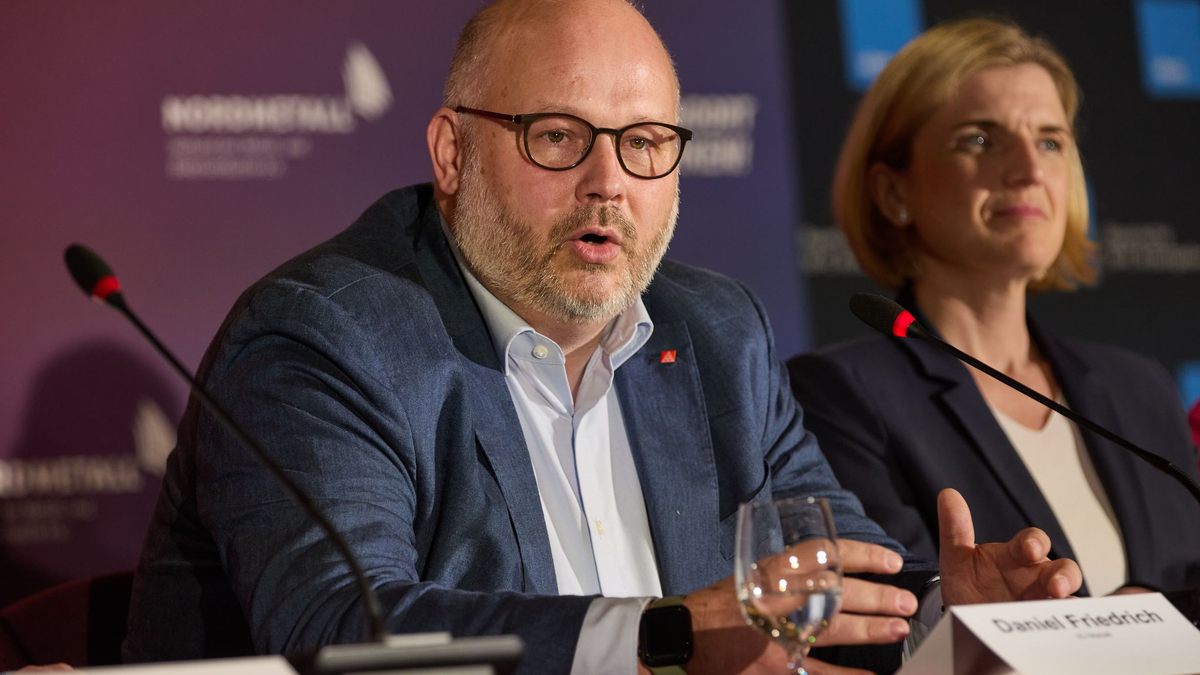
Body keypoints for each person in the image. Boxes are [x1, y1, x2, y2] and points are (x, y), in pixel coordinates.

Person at [123, 3, 1083, 673]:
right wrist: (664, 637)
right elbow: (344, 631)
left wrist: (953, 618)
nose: (608, 182)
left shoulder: (717, 333)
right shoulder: (325, 335)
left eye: (645, 142)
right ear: (451, 153)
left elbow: (828, 584)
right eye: (557, 136)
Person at [788, 18, 1200, 599]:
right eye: (980, 139)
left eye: (1050, 141)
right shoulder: (838, 397)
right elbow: (895, 620)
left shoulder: (1139, 388)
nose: (1030, 171)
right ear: (893, 192)